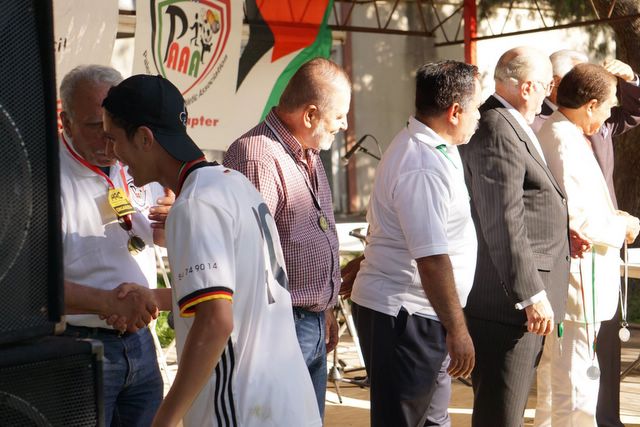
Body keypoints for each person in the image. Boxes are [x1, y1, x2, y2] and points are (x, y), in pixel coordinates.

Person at [102, 74, 321, 427]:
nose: (113, 153)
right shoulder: (233, 183)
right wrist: (156, 297)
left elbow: (216, 321)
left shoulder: (195, 204)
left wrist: (165, 419)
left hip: (242, 408)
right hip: (287, 401)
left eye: (114, 139)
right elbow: (240, 293)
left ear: (144, 138)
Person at [348, 60, 479, 427]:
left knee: (434, 421)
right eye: (476, 108)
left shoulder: (435, 147)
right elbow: (431, 259)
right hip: (407, 316)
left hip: (422, 313)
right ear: (455, 112)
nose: (478, 117)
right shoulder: (422, 163)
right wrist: (459, 330)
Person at [223, 57, 350, 415]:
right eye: (339, 116)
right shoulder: (257, 157)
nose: (344, 125)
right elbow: (251, 259)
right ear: (310, 115)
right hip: (279, 328)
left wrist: (325, 309)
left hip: (308, 322)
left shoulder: (308, 152)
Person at [458, 46, 571, 427]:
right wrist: (530, 294)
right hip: (509, 305)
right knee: (501, 415)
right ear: (527, 87)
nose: (548, 94)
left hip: (517, 302)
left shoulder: (511, 123)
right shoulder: (496, 127)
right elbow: (503, 219)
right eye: (546, 85)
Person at [532, 50, 640, 427]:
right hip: (579, 280)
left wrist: (613, 217)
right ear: (591, 105)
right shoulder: (563, 139)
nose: (610, 116)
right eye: (608, 108)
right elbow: (577, 220)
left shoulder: (564, 132)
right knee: (576, 385)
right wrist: (623, 227)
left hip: (577, 280)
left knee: (558, 376)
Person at [59, 64, 169, 426]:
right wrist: (107, 302)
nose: (108, 140)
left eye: (116, 125)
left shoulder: (135, 156)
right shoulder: (43, 177)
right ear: (66, 120)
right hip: (76, 346)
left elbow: (156, 238)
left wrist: (173, 224)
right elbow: (30, 289)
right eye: (95, 126)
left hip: (140, 340)